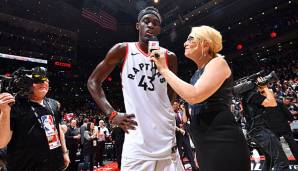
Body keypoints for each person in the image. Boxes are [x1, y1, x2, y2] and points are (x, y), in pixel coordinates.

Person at [87, 6, 184, 171]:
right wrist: (112, 114)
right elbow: (93, 81)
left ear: (159, 29)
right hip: (137, 141)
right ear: (138, 26)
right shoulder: (123, 50)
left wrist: (163, 116)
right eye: (146, 21)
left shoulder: (170, 57)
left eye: (155, 23)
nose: (151, 25)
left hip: (166, 139)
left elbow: (170, 96)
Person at [150, 25, 250, 171]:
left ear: (206, 43)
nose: (185, 43)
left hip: (223, 142)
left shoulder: (218, 63)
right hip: (204, 144)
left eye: (191, 38)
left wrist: (164, 69)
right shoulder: (196, 74)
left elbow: (194, 96)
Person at [0, 67, 70, 171]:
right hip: (25, 166)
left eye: (45, 80)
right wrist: (5, 112)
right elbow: (1, 142)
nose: (43, 83)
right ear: (28, 83)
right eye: (37, 80)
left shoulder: (53, 104)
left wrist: (64, 152)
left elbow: (58, 129)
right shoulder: (14, 105)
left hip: (54, 165)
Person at [242, 79, 289, 171]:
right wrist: (264, 87)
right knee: (282, 162)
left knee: (270, 160)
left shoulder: (246, 97)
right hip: (261, 131)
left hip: (256, 132)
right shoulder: (253, 95)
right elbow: (273, 103)